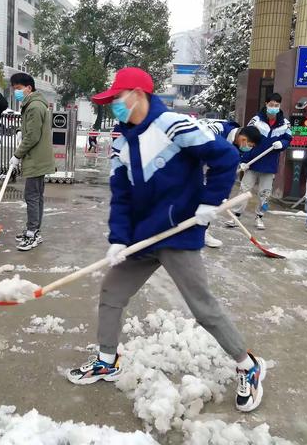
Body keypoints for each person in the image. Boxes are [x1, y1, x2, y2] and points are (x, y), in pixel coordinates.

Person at [67, 68, 267, 414]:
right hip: (143, 239)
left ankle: (248, 364)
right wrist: (118, 239)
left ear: (138, 94)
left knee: (203, 308)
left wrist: (210, 200)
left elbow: (226, 157)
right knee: (112, 293)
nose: (114, 105)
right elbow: (122, 197)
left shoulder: (174, 125)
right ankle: (106, 358)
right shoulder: (121, 144)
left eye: (118, 98)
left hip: (178, 233)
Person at [226, 93, 292, 230]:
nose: (274, 108)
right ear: (266, 104)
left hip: (269, 164)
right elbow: (247, 138)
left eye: (277, 105)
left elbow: (288, 138)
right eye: (271, 105)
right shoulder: (256, 120)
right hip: (252, 162)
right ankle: (236, 216)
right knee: (244, 189)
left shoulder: (285, 123)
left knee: (265, 193)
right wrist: (243, 160)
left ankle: (259, 217)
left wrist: (282, 143)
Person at [9, 73, 55, 251]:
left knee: (32, 196)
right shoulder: (33, 104)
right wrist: (22, 130)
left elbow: (33, 136)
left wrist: (17, 154)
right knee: (36, 196)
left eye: (19, 89)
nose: (17, 92)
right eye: (15, 89)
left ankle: (32, 232)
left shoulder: (34, 106)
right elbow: (31, 128)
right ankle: (35, 230)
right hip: (38, 157)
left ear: (29, 88)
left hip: (36, 158)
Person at [204, 122, 262, 247]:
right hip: (188, 165)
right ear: (243, 138)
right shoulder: (217, 130)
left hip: (208, 173)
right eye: (249, 145)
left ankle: (202, 232)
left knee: (207, 203)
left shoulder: (237, 148)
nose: (248, 148)